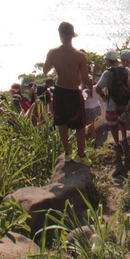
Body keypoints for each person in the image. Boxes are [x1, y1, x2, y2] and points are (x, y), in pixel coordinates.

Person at [43, 22, 93, 165]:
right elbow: (83, 78)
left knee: (62, 122)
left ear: (60, 35)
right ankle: (81, 155)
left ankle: (67, 152)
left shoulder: (52, 52)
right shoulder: (80, 56)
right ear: (72, 36)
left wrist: (51, 61)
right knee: (80, 125)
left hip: (59, 91)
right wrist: (88, 82)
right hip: (73, 92)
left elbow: (45, 70)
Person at [95, 50, 130, 161]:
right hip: (124, 101)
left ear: (108, 60)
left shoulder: (107, 73)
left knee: (113, 125)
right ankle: (125, 140)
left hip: (112, 103)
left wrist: (103, 96)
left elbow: (97, 88)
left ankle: (117, 144)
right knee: (123, 121)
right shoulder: (125, 69)